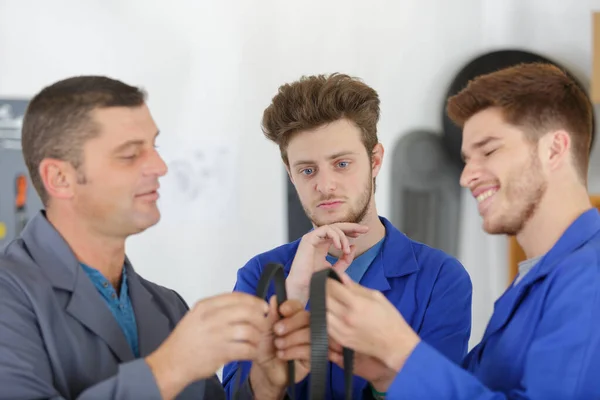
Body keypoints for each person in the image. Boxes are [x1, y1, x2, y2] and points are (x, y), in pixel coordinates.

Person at [0, 75, 311, 400]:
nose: (160, 166)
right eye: (131, 154)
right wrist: (171, 367)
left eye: (154, 147)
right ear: (60, 178)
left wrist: (263, 386)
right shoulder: (11, 296)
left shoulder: (167, 307)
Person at [325, 62, 600, 399]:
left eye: (489, 150)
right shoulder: (536, 280)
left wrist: (401, 349)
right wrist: (389, 374)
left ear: (554, 149)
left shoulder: (589, 277)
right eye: (468, 158)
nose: (466, 176)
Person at [222, 73, 473, 399]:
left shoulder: (441, 279)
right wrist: (292, 298)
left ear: (375, 160)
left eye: (341, 164)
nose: (325, 186)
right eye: (307, 170)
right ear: (291, 174)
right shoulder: (260, 275)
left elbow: (443, 395)